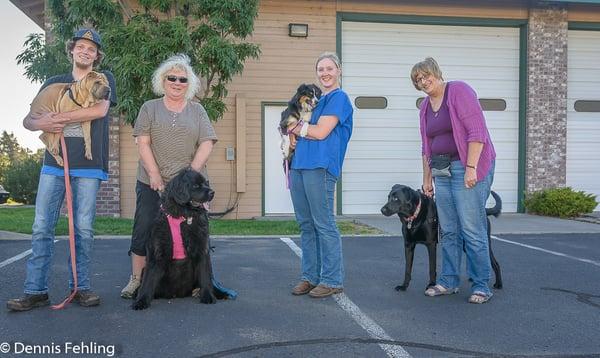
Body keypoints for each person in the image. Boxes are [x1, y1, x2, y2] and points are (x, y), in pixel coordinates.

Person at [7, 29, 117, 311]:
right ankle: (35, 290)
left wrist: (58, 117)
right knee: (42, 226)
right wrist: (42, 124)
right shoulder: (54, 82)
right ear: (72, 50)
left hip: (89, 166)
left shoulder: (104, 80)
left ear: (97, 55)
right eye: (81, 46)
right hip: (53, 166)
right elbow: (28, 120)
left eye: (91, 49)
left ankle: (81, 288)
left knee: (83, 228)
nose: (85, 52)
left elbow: (100, 111)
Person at [120, 54, 217, 299]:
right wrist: (155, 175)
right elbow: (143, 143)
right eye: (171, 78)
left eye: (182, 79)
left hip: (189, 186)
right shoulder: (149, 108)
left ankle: (197, 281)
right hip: (153, 182)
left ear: (189, 84)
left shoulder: (197, 110)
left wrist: (191, 175)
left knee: (195, 234)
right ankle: (137, 280)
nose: (177, 82)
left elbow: (207, 143)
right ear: (162, 81)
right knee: (145, 229)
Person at [411, 57, 496, 304]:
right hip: (442, 170)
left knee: (471, 227)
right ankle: (448, 281)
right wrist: (427, 179)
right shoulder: (425, 107)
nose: (423, 81)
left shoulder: (458, 91)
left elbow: (477, 132)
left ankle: (481, 285)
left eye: (426, 75)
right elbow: (426, 147)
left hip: (468, 165)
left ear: (437, 73)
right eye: (418, 80)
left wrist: (471, 168)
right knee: (448, 229)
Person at [287, 52, 353, 298]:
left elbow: (321, 131)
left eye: (329, 68)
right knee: (306, 224)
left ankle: (332, 279)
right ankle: (310, 277)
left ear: (339, 71)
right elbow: (297, 129)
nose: (325, 73)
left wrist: (294, 127)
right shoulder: (315, 100)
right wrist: (293, 132)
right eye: (321, 69)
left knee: (323, 224)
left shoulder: (339, 98)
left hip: (321, 167)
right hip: (299, 166)